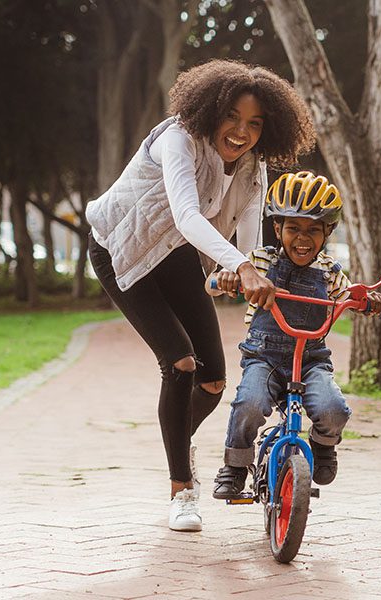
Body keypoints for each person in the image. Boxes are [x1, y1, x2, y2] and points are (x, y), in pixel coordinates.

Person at [85, 60, 315, 532]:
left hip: (176, 258)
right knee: (180, 363)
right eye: (232, 116)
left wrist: (252, 267)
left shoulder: (254, 166)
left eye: (254, 123)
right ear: (211, 110)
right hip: (120, 251)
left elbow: (250, 231)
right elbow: (187, 215)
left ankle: (176, 439)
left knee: (212, 381)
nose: (240, 131)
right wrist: (241, 266)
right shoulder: (178, 139)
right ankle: (181, 490)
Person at [207, 171, 381, 499]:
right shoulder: (260, 261)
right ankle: (235, 466)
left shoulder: (330, 272)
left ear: (327, 232)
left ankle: (323, 445)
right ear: (277, 229)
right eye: (293, 228)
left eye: (312, 230)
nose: (302, 239)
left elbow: (350, 295)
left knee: (334, 409)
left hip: (311, 359)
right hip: (265, 357)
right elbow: (214, 284)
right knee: (249, 404)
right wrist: (226, 280)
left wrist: (367, 300)